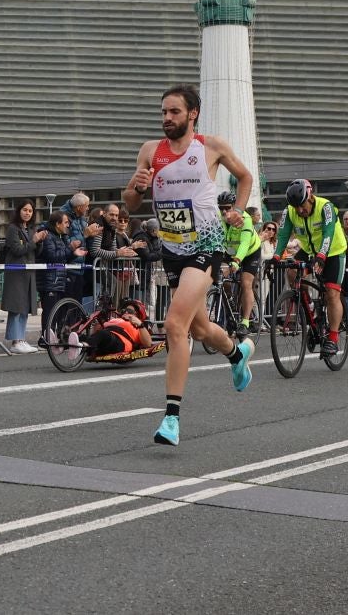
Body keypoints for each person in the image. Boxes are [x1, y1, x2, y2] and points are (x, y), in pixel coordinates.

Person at [122, 84, 255, 447]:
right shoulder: (150, 151)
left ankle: (171, 418)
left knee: (175, 324)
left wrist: (238, 211)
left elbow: (245, 177)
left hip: (207, 245)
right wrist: (136, 185)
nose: (167, 118)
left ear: (192, 114)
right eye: (163, 112)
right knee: (199, 328)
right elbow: (130, 203)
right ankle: (236, 352)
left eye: (174, 112)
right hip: (172, 249)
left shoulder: (211, 146)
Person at [271, 178, 348, 346]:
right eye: (295, 207)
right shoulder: (289, 211)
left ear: (310, 196)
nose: (300, 210)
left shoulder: (325, 206)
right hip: (309, 250)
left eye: (302, 205)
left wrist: (322, 256)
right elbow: (283, 235)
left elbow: (328, 233)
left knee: (332, 293)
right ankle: (308, 305)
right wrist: (276, 256)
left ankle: (333, 339)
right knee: (291, 271)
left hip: (334, 251)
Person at [1, 200, 44, 354]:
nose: (27, 213)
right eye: (25, 210)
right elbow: (18, 250)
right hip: (16, 272)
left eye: (30, 211)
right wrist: (34, 241)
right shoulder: (13, 228)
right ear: (19, 211)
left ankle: (22, 338)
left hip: (29, 272)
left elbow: (35, 252)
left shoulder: (32, 229)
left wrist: (40, 242)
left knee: (25, 307)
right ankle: (15, 341)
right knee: (16, 306)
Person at [219, 193, 261, 334]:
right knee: (221, 278)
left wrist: (237, 262)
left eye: (227, 208)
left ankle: (245, 322)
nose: (224, 211)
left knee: (245, 283)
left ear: (234, 207)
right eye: (221, 208)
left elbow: (244, 243)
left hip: (250, 252)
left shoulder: (245, 219)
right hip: (229, 252)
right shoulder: (219, 219)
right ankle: (230, 301)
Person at [89, 299, 153, 356]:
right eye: (123, 310)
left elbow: (148, 344)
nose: (126, 312)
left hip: (121, 342)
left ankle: (87, 346)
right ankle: (85, 346)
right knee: (83, 337)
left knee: (103, 334)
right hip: (105, 339)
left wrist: (140, 324)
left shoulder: (138, 325)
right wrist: (99, 319)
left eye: (130, 311)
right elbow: (95, 333)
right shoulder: (113, 320)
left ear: (137, 314)